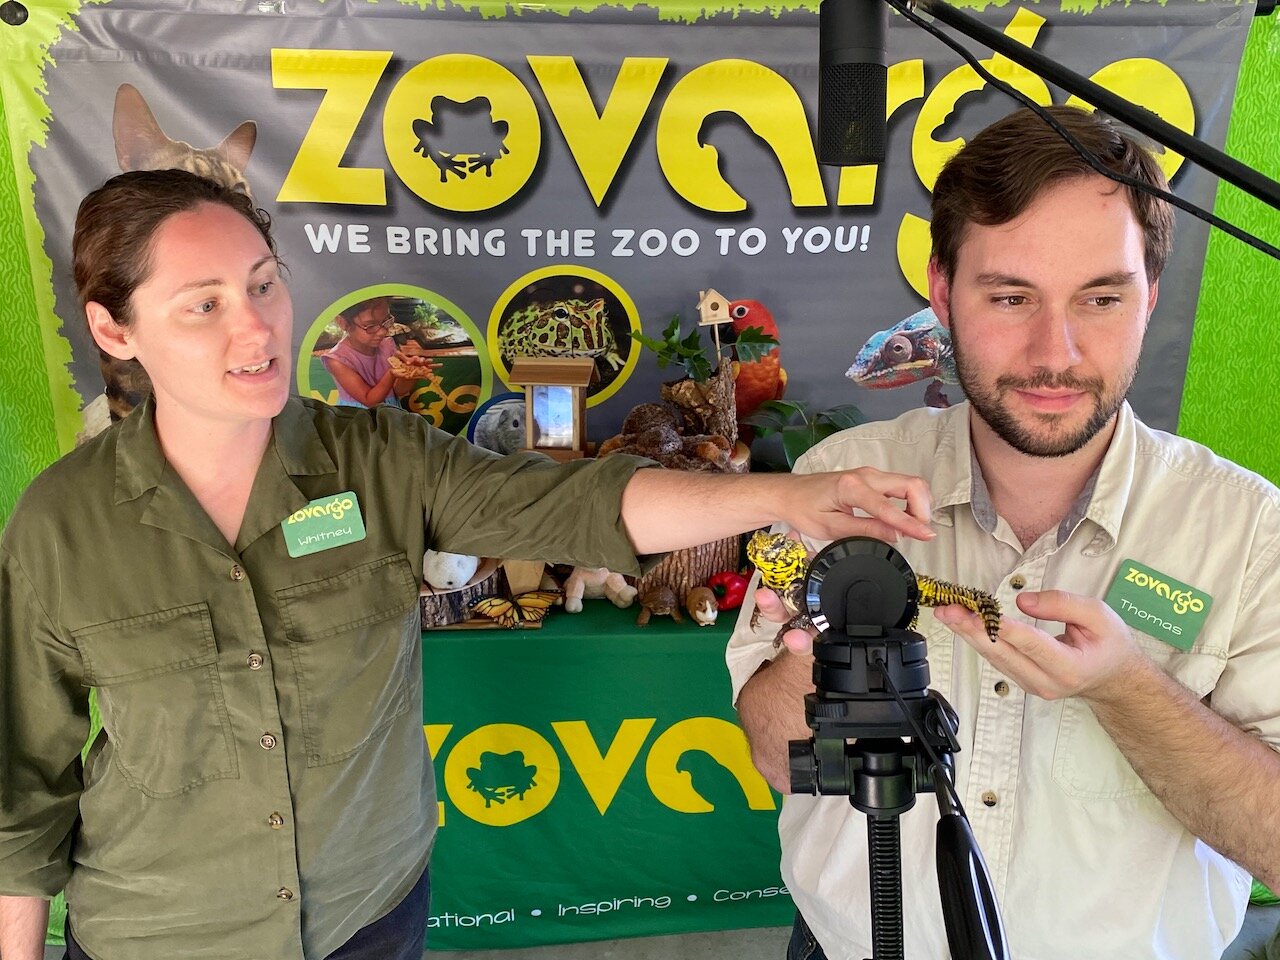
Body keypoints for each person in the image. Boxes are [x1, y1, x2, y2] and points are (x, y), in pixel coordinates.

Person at [0, 168, 934, 960]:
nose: (256, 329)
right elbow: (19, 788)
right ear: (115, 330)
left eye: (263, 285)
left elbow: (577, 504)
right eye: (203, 305)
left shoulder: (380, 458)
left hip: (368, 914)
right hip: (157, 932)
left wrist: (788, 496)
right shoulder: (59, 525)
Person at [730, 105, 1280, 960]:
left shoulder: (1249, 530)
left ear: (1150, 297)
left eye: (1101, 297)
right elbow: (774, 754)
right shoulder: (839, 483)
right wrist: (823, 643)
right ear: (942, 292)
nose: (1055, 352)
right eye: (1011, 296)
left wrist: (1124, 689)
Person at [321, 296, 434, 408]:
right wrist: (391, 374)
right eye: (371, 325)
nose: (382, 332)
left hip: (390, 411)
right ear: (343, 323)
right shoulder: (337, 360)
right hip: (360, 415)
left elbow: (399, 390)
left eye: (386, 321)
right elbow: (369, 401)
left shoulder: (388, 345)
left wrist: (411, 373)